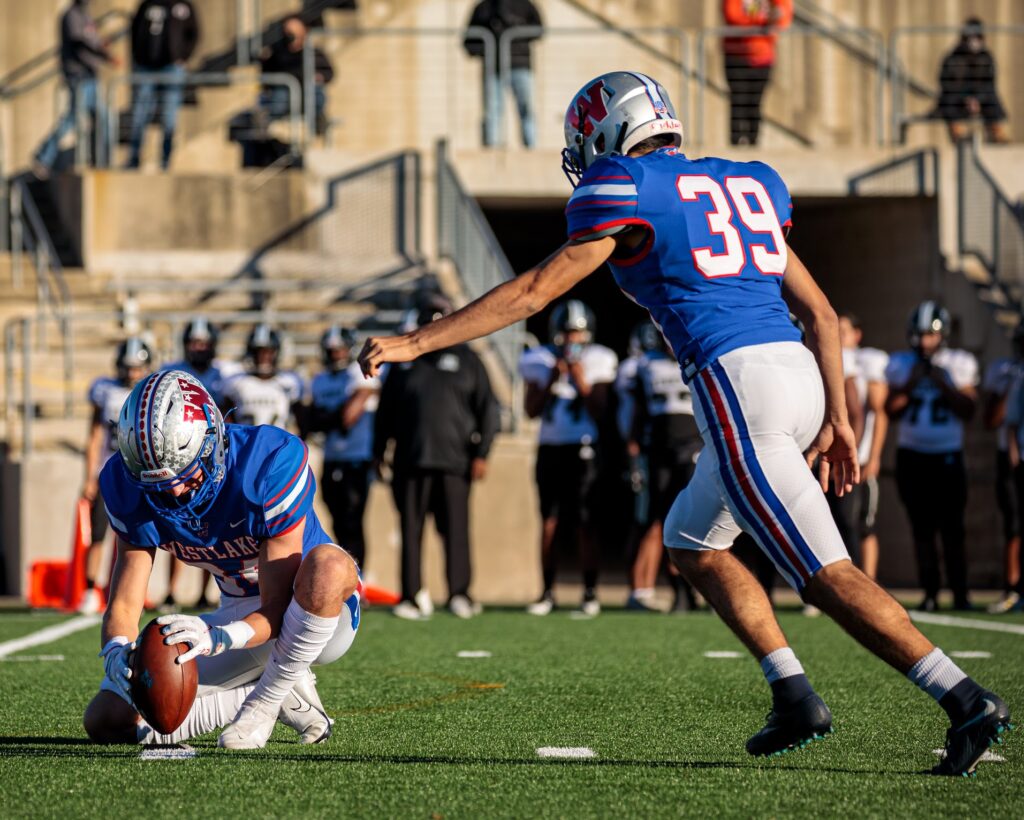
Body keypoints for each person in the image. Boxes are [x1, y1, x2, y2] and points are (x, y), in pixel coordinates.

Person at [358, 71, 1011, 776]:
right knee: (692, 541)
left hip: (738, 386)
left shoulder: (624, 186)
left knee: (824, 573)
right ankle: (792, 692)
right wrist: (842, 421)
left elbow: (535, 291)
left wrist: (417, 341)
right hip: (797, 373)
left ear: (609, 132)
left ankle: (965, 697)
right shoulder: (748, 182)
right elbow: (823, 316)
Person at [82, 370, 361, 749]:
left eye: (184, 474)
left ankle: (266, 700)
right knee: (107, 721)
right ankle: (285, 698)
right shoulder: (124, 483)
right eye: (156, 482)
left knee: (330, 564)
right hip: (236, 610)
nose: (175, 491)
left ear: (213, 439)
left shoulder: (266, 462)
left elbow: (277, 608)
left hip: (311, 609)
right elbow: (125, 603)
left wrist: (220, 637)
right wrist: (116, 651)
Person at [374, 296, 499, 619]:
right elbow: (385, 413)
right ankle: (412, 595)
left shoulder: (468, 359)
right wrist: (378, 452)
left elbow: (489, 411)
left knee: (456, 530)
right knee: (411, 530)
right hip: (410, 460)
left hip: (455, 462)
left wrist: (482, 453)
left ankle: (460, 594)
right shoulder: (404, 365)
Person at [518, 300, 618, 616]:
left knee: (585, 521)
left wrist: (579, 379)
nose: (571, 340)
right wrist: (551, 378)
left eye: (576, 333)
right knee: (548, 520)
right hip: (550, 447)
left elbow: (600, 409)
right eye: (566, 333)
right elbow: (530, 410)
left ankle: (589, 592)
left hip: (583, 447)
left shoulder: (600, 359)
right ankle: (547, 592)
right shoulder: (538, 360)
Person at [885, 302, 978, 613]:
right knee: (921, 529)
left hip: (948, 455)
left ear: (943, 335)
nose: (924, 341)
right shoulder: (900, 364)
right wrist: (912, 383)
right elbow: (891, 409)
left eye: (930, 335)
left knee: (953, 529)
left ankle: (961, 593)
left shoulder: (959, 363)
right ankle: (930, 592)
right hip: (912, 456)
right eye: (920, 334)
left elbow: (969, 410)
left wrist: (943, 382)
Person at [625, 322, 700, 613]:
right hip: (658, 449)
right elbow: (638, 411)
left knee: (695, 520)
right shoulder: (647, 366)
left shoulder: (699, 355)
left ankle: (697, 589)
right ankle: (659, 590)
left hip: (693, 446)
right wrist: (633, 449)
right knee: (661, 519)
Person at [79, 338, 153, 614]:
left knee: (138, 537)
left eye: (138, 367)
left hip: (138, 476)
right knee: (98, 536)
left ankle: (132, 592)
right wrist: (88, 477)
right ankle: (89, 589)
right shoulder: (105, 391)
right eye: (128, 367)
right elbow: (95, 436)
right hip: (107, 472)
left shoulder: (150, 392)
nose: (133, 373)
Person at [306, 325, 381, 570]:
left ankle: (360, 575)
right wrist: (329, 418)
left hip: (357, 457)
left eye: (339, 350)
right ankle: (347, 571)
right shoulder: (320, 380)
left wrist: (327, 418)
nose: (336, 354)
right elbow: (313, 420)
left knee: (353, 519)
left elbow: (348, 416)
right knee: (337, 520)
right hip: (332, 457)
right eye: (331, 351)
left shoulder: (358, 373)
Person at [33, 0, 120, 178]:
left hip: (90, 75)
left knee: (103, 118)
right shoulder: (71, 15)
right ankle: (43, 157)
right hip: (78, 75)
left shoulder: (85, 15)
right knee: (73, 118)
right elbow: (79, 43)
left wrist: (101, 45)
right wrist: (106, 56)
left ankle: (102, 161)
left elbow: (91, 40)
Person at [839, 313, 889, 581]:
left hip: (860, 454)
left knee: (863, 524)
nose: (838, 335)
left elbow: (876, 411)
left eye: (844, 330)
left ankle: (868, 581)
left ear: (858, 334)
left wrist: (874, 455)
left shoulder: (867, 361)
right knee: (841, 523)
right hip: (839, 456)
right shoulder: (829, 358)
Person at [126, 0, 200, 170]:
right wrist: (137, 57)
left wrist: (183, 57)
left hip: (172, 68)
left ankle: (165, 161)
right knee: (139, 114)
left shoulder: (184, 6)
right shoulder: (147, 5)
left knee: (169, 117)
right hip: (146, 67)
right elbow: (135, 30)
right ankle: (134, 158)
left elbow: (194, 34)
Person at [463, 0, 542, 148]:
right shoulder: (483, 8)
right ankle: (492, 147)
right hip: (493, 68)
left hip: (521, 64)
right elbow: (469, 41)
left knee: (526, 108)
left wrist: (513, 29)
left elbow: (539, 30)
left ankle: (531, 146)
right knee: (492, 110)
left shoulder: (525, 5)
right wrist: (489, 48)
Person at [984, 326, 1024, 613]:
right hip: (1016, 458)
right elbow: (1001, 419)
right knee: (1014, 525)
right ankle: (1012, 587)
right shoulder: (1012, 373)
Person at [721, 0, 792, 146]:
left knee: (756, 103)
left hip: (763, 57)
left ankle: (754, 141)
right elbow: (733, 16)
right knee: (738, 101)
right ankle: (736, 141)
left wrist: (768, 20)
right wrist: (762, 21)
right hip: (736, 55)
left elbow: (783, 19)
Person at [936, 18, 1009, 144]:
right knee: (948, 101)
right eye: (971, 37)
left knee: (993, 99)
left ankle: (997, 133)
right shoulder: (953, 57)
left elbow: (990, 83)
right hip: (958, 99)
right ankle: (958, 134)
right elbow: (946, 84)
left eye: (977, 37)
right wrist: (966, 98)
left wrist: (978, 99)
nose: (974, 41)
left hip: (980, 98)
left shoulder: (986, 57)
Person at [222, 324, 305, 431]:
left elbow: (301, 420)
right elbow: (227, 418)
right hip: (246, 443)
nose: (263, 357)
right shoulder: (236, 383)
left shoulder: (289, 382)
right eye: (258, 352)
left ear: (276, 353)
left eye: (268, 352)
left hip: (279, 444)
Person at [259, 15, 334, 128]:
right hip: (283, 94)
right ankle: (264, 125)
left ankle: (318, 119)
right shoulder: (276, 53)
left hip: (307, 93)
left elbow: (329, 72)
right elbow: (266, 74)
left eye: (295, 31)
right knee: (277, 98)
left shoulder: (313, 53)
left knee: (317, 93)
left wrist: (320, 77)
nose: (291, 35)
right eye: (288, 32)